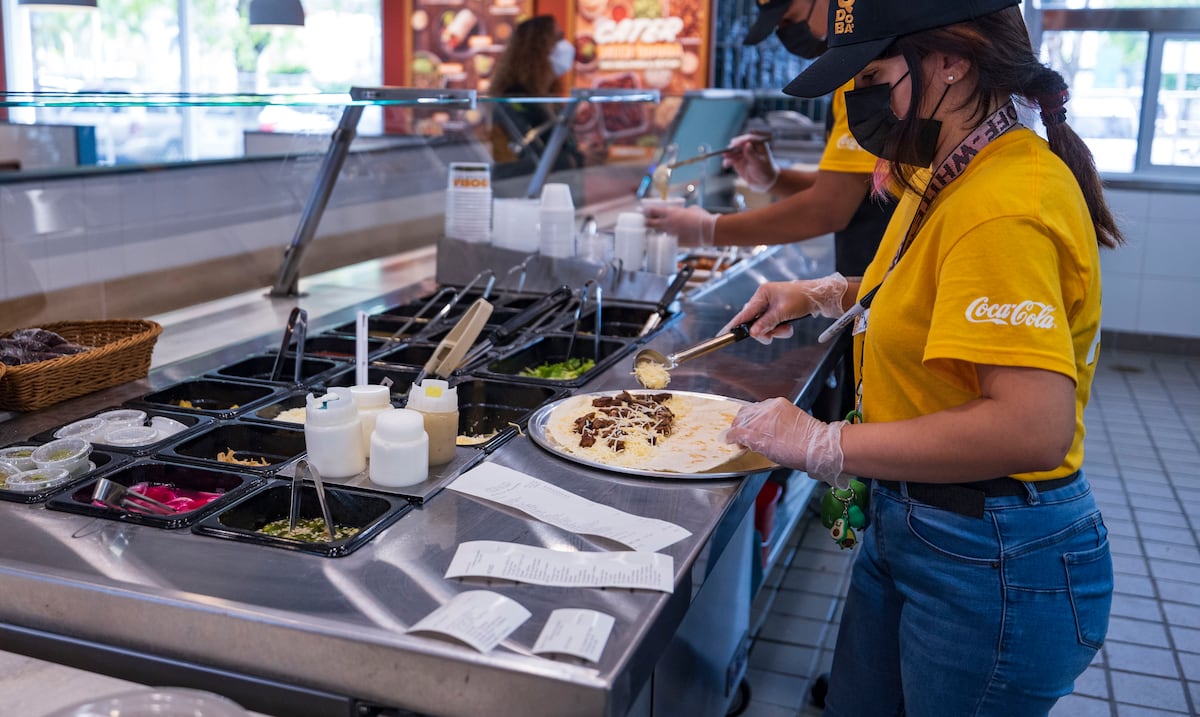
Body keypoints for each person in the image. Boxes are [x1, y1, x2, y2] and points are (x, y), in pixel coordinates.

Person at [722, 1, 1123, 714]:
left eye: (874, 74)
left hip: (992, 554)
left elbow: (1031, 427)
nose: (860, 101)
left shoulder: (1006, 200)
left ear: (951, 62)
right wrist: (822, 293)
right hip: (917, 522)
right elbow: (934, 286)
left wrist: (819, 440)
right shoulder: (950, 166)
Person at [642, 0, 895, 279]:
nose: (784, 32)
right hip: (869, 278)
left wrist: (708, 229)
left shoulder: (865, 77)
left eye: (788, 18)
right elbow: (859, 187)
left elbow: (828, 208)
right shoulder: (854, 76)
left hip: (884, 276)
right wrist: (774, 179)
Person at [488, 15, 585, 200]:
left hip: (556, 197)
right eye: (558, 38)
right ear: (537, 49)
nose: (565, 46)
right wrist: (576, 159)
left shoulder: (548, 97)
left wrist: (579, 156)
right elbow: (522, 160)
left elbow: (557, 144)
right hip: (521, 200)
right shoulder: (513, 98)